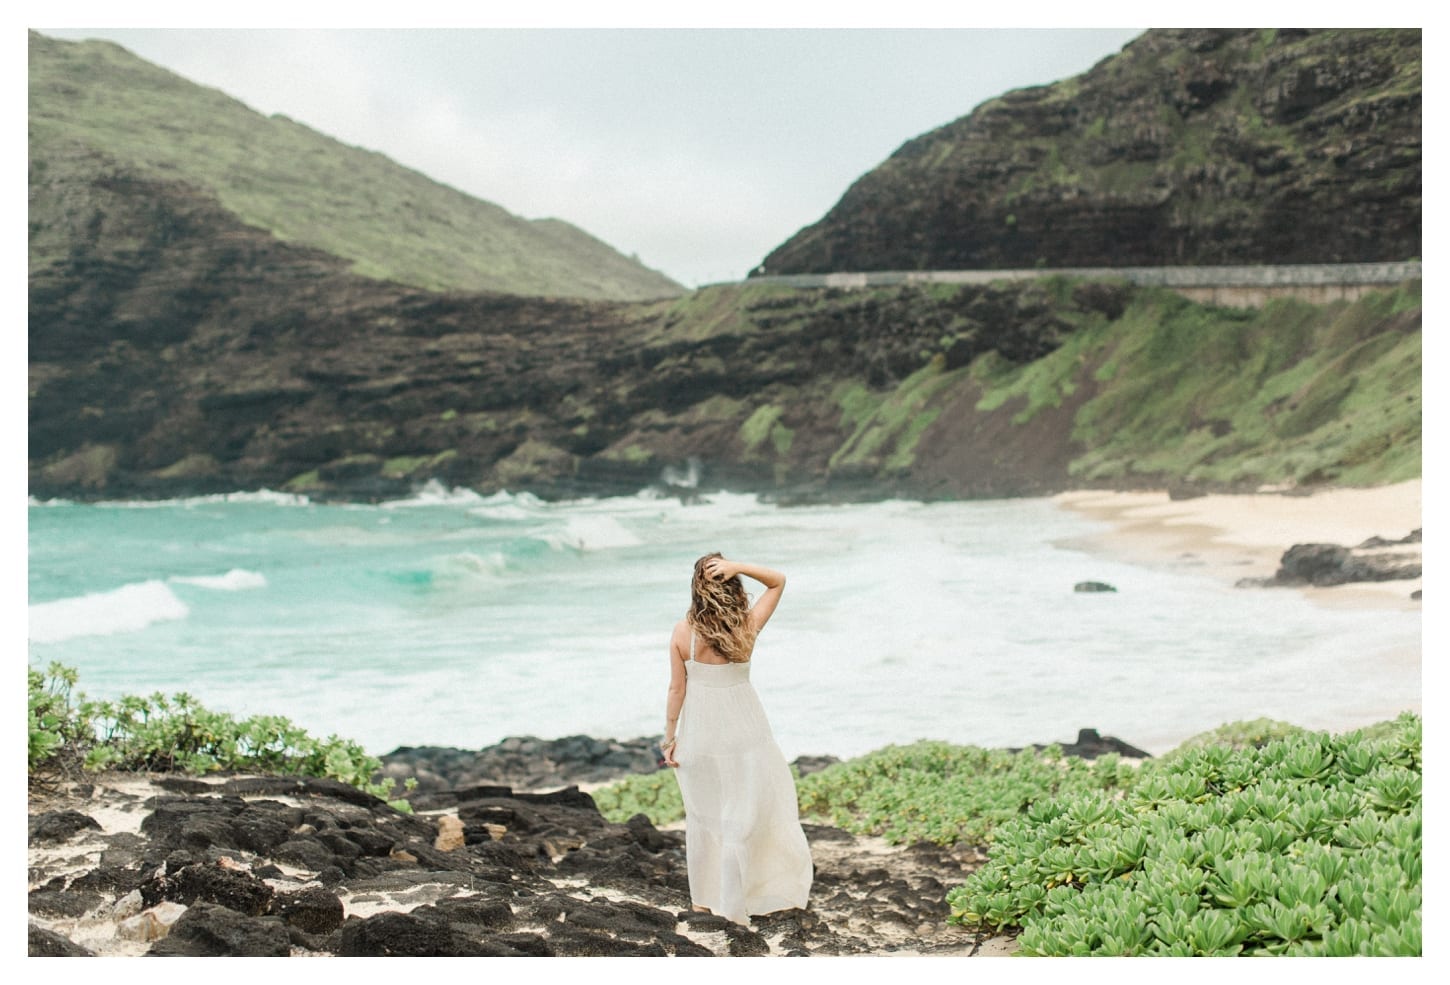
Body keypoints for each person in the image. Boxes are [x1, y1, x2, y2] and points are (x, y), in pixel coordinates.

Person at [659, 553, 813, 924]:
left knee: (703, 816)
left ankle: (703, 901)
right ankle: (736, 899)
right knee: (743, 816)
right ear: (732, 586)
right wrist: (741, 567)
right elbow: (778, 580)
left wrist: (669, 737)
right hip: (746, 734)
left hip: (700, 735)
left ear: (697, 587)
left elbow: (676, 689)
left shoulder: (683, 633)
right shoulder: (746, 625)